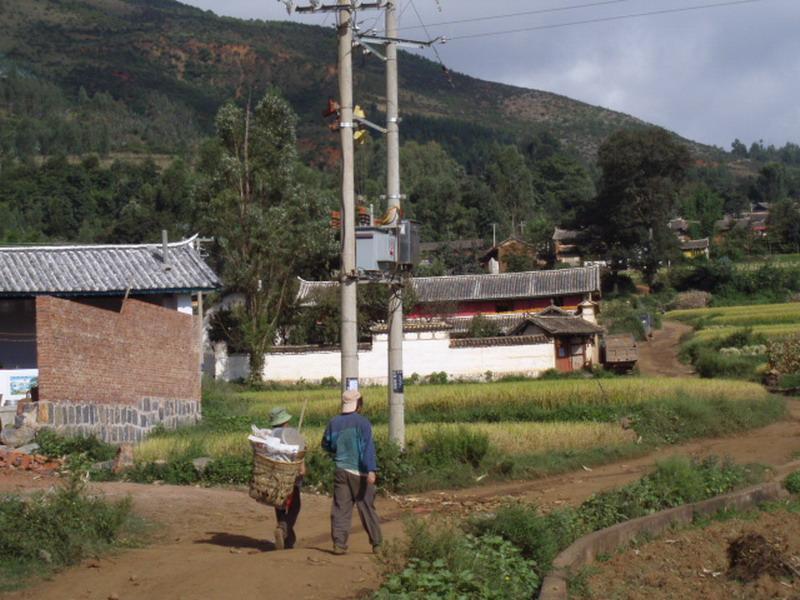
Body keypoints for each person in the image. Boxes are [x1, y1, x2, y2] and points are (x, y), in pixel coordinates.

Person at [321, 390, 383, 555]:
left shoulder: (333, 422)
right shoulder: (363, 423)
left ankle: (339, 544)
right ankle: (377, 544)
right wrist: (371, 470)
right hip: (360, 472)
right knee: (366, 508)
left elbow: (326, 444)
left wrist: (338, 450)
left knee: (341, 508)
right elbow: (368, 447)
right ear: (359, 405)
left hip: (341, 470)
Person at [268, 406, 306, 551]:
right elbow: (299, 452)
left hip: (274, 475)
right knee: (295, 504)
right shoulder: (290, 434)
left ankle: (288, 539)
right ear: (285, 422)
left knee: (280, 504)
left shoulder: (270, 435)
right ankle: (283, 528)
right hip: (290, 475)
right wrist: (302, 467)